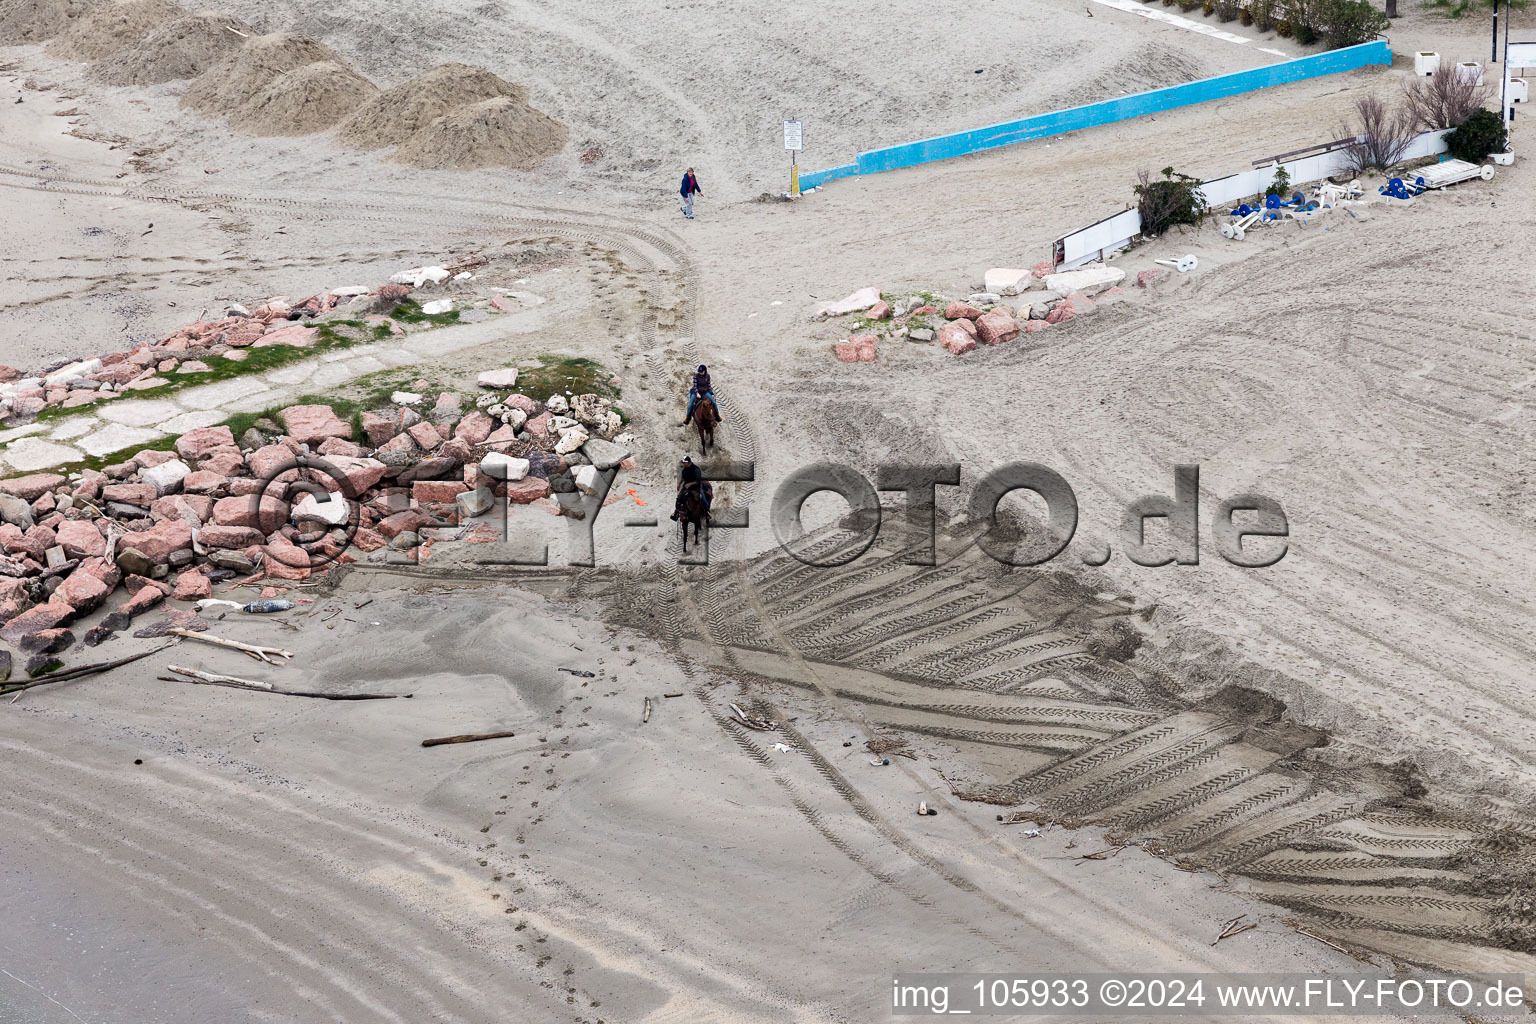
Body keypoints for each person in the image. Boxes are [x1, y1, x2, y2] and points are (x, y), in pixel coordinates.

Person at [671, 455, 712, 521]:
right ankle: (676, 512)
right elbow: (683, 477)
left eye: (684, 462)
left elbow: (697, 481)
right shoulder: (685, 469)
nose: (683, 464)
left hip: (696, 487)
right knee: (679, 497)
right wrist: (679, 484)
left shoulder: (696, 469)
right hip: (686, 486)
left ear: (688, 462)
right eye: (683, 462)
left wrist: (690, 484)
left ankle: (707, 512)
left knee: (702, 497)